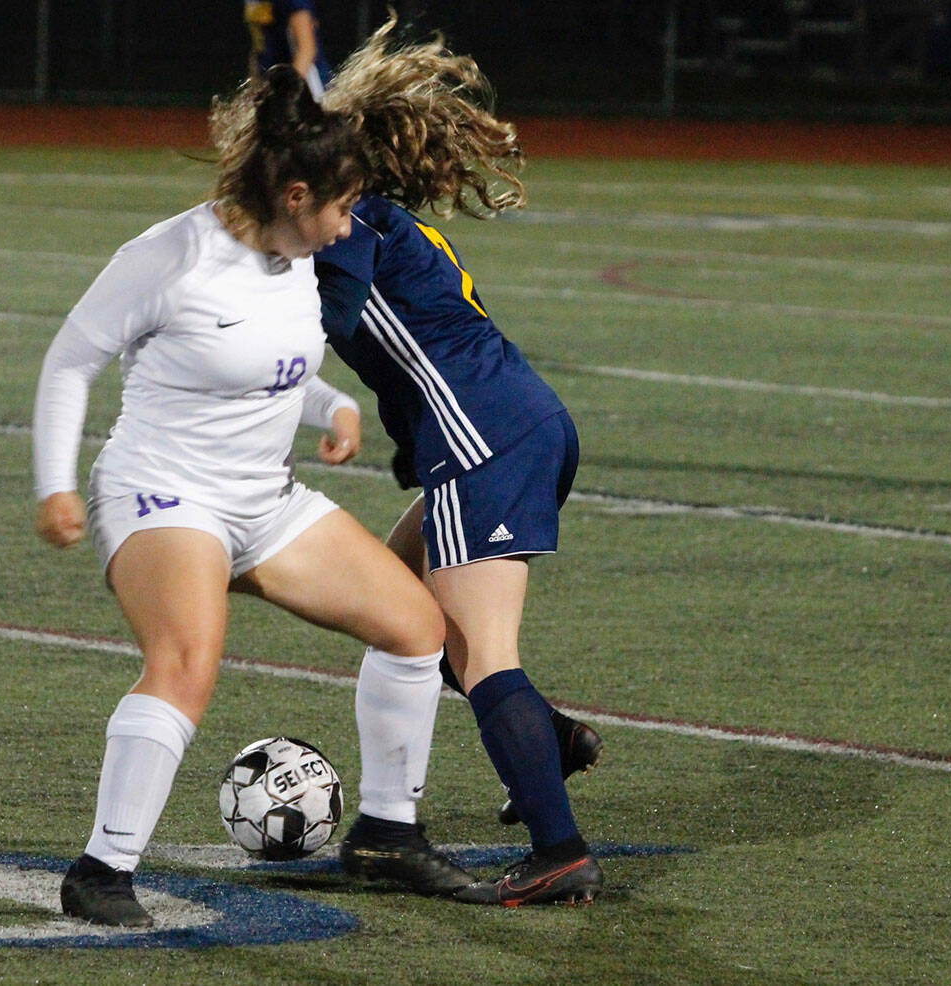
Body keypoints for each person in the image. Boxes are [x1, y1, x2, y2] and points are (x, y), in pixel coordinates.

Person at [32, 65, 471, 927]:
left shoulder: (294, 253)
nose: (348, 225)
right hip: (166, 497)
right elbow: (70, 362)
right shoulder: (171, 256)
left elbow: (267, 366)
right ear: (294, 192)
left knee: (415, 626)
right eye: (341, 207)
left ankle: (388, 833)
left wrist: (332, 401)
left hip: (265, 504)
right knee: (188, 664)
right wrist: (53, 484)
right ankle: (101, 869)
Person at [316, 20, 604, 905]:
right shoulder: (390, 219)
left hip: (487, 440)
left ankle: (558, 849)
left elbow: (331, 317)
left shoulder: (354, 213)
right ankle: (543, 739)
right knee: (399, 602)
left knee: (480, 652)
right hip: (516, 425)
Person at [244, 0, 333, 100]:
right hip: (275, 87)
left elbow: (307, 50)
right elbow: (260, 44)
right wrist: (256, 86)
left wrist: (284, 97)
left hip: (307, 92)